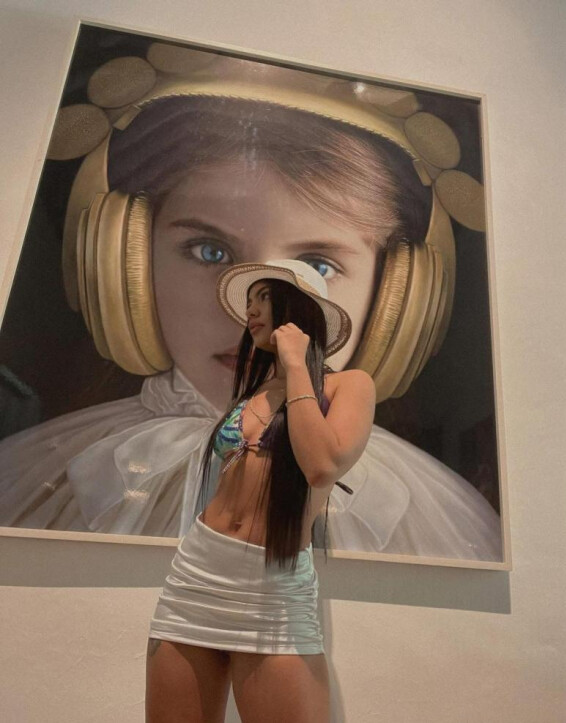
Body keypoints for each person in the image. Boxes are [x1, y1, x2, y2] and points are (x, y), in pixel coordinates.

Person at [0, 43, 501, 561]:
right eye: (209, 251)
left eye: (317, 266)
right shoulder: (35, 476)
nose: (248, 316)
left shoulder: (434, 516)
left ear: (398, 295)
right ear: (123, 261)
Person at [146, 259, 375, 722]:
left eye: (263, 298)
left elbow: (321, 467)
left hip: (274, 590)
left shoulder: (348, 385)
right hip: (197, 576)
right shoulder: (256, 391)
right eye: (249, 302)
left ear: (300, 307)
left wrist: (295, 365)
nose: (250, 312)